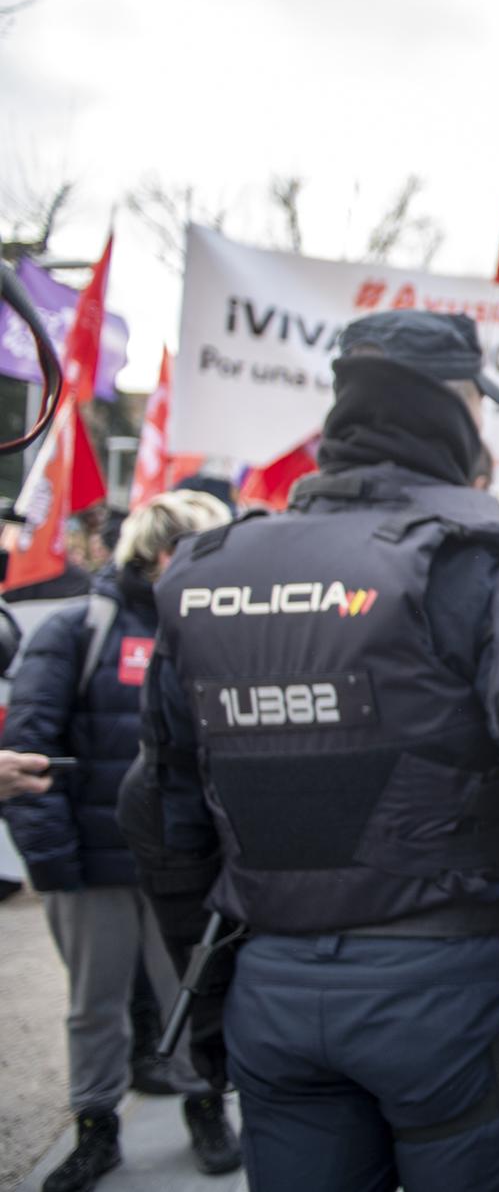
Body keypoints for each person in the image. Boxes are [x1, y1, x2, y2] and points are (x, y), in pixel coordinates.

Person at [116, 312, 499, 1192]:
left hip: (274, 984)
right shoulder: (475, 559)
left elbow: (160, 806)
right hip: (447, 996)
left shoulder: (206, 567)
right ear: (456, 407)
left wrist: (208, 986)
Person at [4, 491, 241, 1192]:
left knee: (194, 994)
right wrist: (54, 865)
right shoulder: (80, 627)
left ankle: (207, 1111)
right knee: (94, 1005)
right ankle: (95, 1127)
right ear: (163, 552)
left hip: (186, 864)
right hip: (94, 868)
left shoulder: (217, 629)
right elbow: (30, 754)